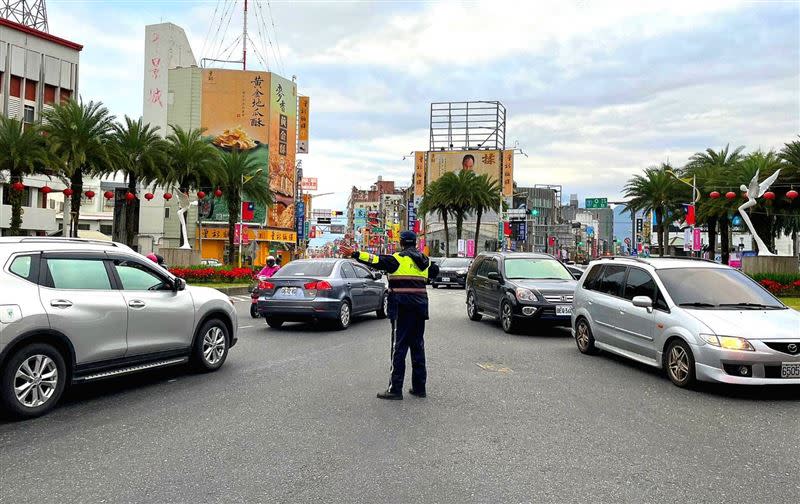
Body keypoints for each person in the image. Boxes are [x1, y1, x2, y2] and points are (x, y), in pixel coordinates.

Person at [339, 231, 439, 400]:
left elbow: (374, 260)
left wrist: (354, 253)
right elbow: (435, 271)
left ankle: (395, 389)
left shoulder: (396, 259)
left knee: (398, 348)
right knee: (418, 347)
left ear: (401, 243)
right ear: (415, 243)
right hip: (420, 308)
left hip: (402, 308)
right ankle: (419, 388)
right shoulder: (425, 261)